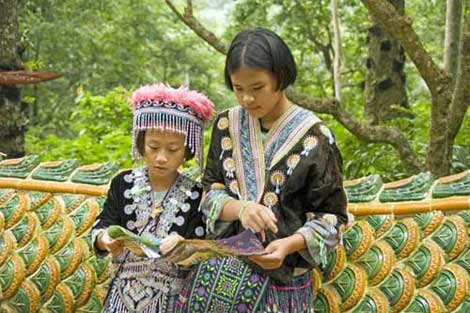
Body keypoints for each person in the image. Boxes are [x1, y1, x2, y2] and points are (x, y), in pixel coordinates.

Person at [178, 28, 348, 312]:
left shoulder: (316, 137)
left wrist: (288, 245)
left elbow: (332, 218)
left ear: (281, 78)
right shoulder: (225, 125)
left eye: (257, 88)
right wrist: (241, 209)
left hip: (284, 283)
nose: (246, 99)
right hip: (220, 276)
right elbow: (210, 191)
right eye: (238, 88)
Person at [91, 84, 214, 312]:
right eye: (153, 147)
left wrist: (182, 246)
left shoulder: (197, 194)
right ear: (141, 144)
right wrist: (105, 239)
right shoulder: (122, 183)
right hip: (120, 297)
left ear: (187, 151)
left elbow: (199, 251)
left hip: (171, 300)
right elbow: (103, 224)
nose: (161, 158)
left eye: (173, 149)